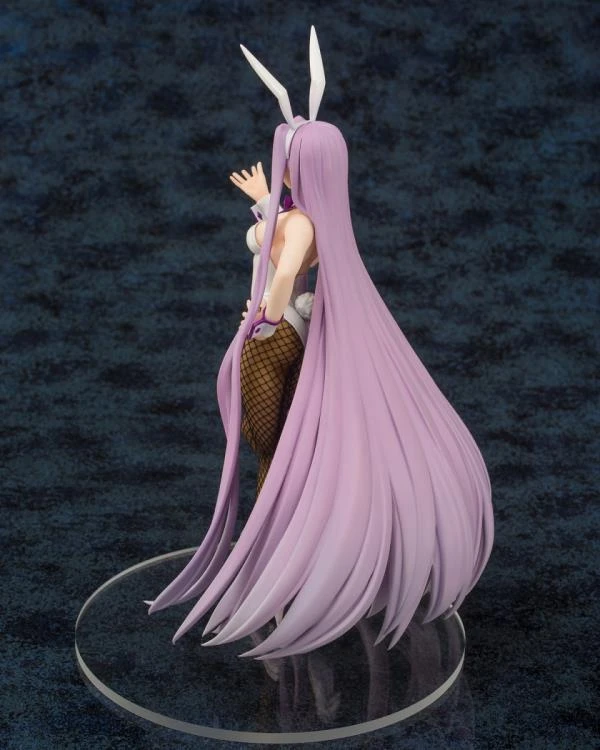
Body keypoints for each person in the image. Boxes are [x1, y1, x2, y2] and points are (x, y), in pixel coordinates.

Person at [147, 27, 494, 659]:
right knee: (281, 450)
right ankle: (289, 555)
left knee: (268, 453)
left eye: (286, 158)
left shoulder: (303, 223)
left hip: (271, 343)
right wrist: (264, 203)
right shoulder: (307, 217)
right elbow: (284, 244)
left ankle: (278, 560)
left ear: (302, 166)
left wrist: (261, 319)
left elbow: (284, 272)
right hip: (291, 335)